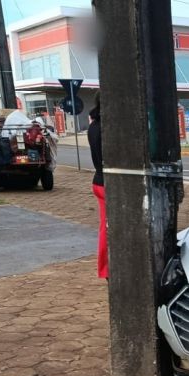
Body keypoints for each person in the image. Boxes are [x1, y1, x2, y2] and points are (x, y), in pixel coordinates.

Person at [88, 94, 107, 279]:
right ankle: (107, 268)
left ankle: (105, 268)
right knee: (110, 228)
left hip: (98, 181)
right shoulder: (107, 128)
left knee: (105, 227)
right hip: (110, 183)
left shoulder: (94, 126)